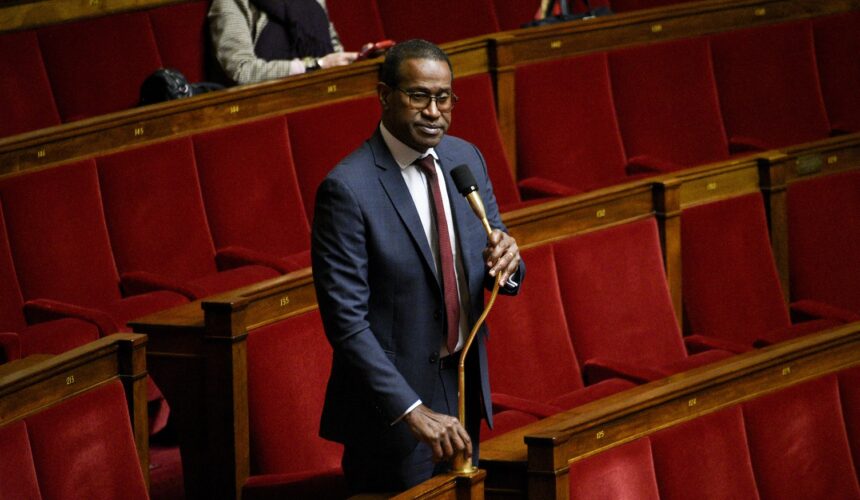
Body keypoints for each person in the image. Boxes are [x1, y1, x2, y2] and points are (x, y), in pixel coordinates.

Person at [311, 39, 525, 493]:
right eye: (418, 96)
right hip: (391, 416)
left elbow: (496, 255)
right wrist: (411, 410)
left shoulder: (465, 158)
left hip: (464, 382)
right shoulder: (348, 188)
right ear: (384, 95)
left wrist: (508, 262)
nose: (434, 111)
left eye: (444, 97)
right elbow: (345, 323)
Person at [208, 0, 357, 85]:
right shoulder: (230, 2)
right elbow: (241, 71)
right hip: (272, 102)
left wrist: (357, 59)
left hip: (327, 88)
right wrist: (314, 66)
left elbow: (333, 50)